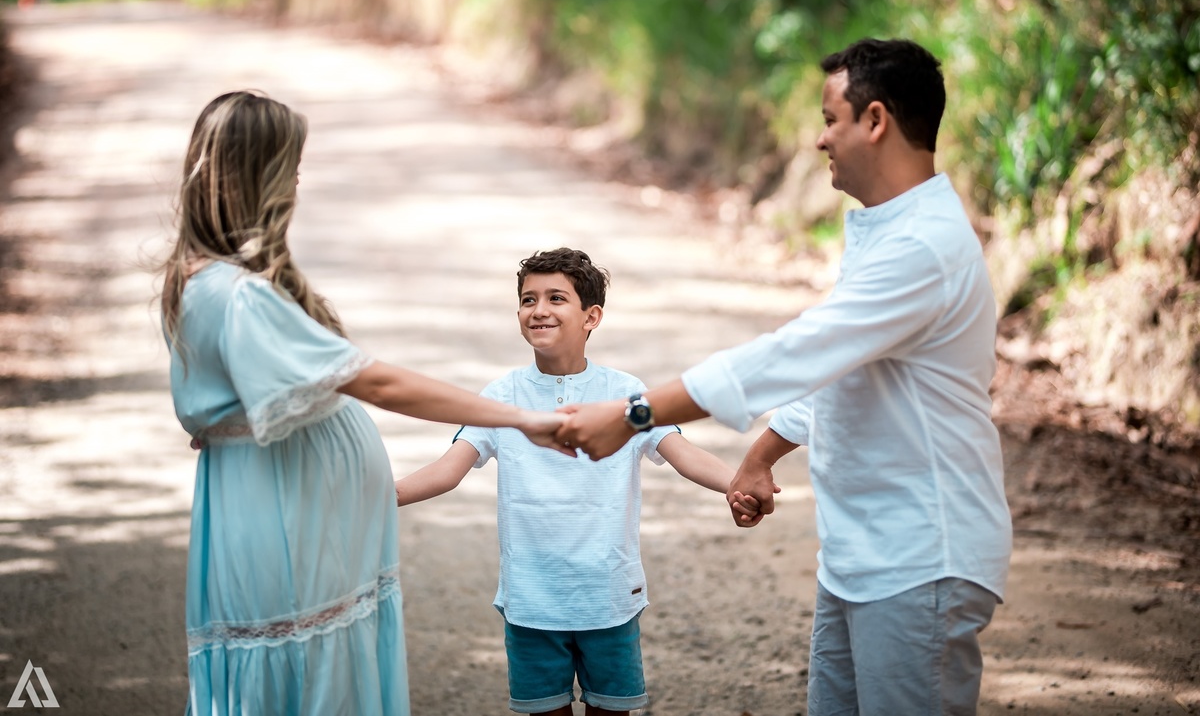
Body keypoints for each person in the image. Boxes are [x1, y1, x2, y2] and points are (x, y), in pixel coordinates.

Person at [556, 39, 1013, 715]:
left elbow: (795, 352)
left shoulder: (922, 247)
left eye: (831, 118)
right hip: (862, 553)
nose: (819, 137)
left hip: (921, 557)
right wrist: (762, 454)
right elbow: (841, 368)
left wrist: (632, 413)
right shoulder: (890, 232)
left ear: (876, 120)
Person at [159, 90, 565, 716]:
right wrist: (521, 415)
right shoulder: (237, 295)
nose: (297, 179)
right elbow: (378, 383)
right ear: (257, 176)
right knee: (303, 672)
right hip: (287, 519)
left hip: (288, 505)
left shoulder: (203, 280)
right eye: (288, 164)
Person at [394, 247, 760, 716]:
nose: (539, 310)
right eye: (528, 299)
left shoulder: (624, 392)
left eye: (555, 298)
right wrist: (384, 496)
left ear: (592, 316)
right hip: (531, 600)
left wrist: (738, 484)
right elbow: (448, 470)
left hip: (608, 595)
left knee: (612, 709)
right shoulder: (503, 396)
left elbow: (680, 451)